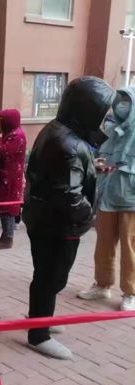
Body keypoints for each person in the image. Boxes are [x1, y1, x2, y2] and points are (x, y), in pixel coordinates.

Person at [23, 76, 114, 360]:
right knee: (52, 277)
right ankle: (38, 334)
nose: (106, 118)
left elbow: (61, 176)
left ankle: (40, 317)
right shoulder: (68, 144)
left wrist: (91, 167)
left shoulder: (58, 131)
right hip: (57, 224)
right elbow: (69, 196)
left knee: (46, 275)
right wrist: (91, 216)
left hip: (44, 219)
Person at [78, 87, 135, 311]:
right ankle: (102, 284)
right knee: (103, 243)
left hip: (131, 199)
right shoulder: (110, 130)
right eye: (119, 101)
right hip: (107, 195)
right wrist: (98, 166)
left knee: (130, 246)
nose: (121, 105)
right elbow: (98, 154)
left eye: (126, 101)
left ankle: (131, 292)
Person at [0, 109, 27, 249]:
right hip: (7, 177)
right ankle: (5, 236)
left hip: (10, 179)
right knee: (4, 207)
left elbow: (4, 152)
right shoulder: (12, 134)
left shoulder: (16, 136)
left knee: (8, 208)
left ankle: (7, 238)